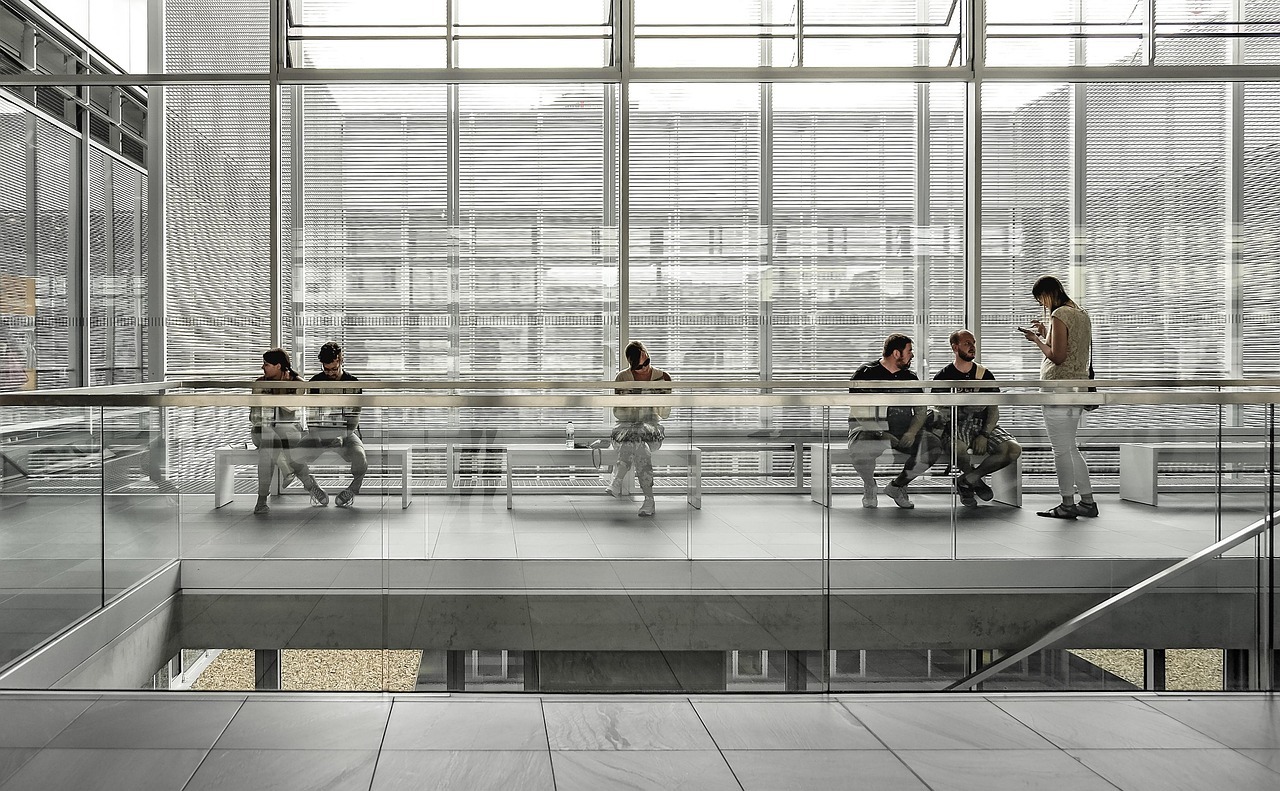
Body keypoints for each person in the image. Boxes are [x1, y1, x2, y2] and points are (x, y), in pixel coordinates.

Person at [1019, 275, 1097, 520]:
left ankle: (1067, 503)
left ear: (1046, 294)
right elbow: (1073, 347)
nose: (1042, 306)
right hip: (1077, 389)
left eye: (1040, 300)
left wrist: (1037, 340)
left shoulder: (1059, 314)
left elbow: (1058, 356)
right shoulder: (1080, 313)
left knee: (1060, 450)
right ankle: (1087, 501)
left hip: (1058, 389)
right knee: (1070, 447)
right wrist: (1047, 332)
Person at [848, 333, 942, 509]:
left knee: (933, 445)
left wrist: (912, 432)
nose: (912, 355)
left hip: (903, 430)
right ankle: (869, 485)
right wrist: (881, 433)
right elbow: (857, 409)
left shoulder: (911, 378)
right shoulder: (866, 372)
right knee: (860, 450)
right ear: (896, 353)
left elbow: (921, 410)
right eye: (909, 351)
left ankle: (897, 486)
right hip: (870, 430)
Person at [932, 329, 1022, 508]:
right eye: (967, 343)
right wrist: (963, 411)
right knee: (957, 448)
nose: (972, 346)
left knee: (1012, 449)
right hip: (957, 424)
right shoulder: (943, 376)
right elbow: (939, 412)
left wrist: (984, 434)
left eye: (973, 343)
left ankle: (968, 479)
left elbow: (993, 410)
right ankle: (973, 483)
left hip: (982, 424)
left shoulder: (985, 374)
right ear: (955, 347)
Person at [251, 348, 326, 514]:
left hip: (288, 431)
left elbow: (292, 410)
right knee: (269, 435)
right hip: (261, 431)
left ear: (278, 366)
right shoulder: (259, 383)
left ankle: (261, 499)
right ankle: (308, 483)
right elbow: (254, 416)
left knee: (268, 448)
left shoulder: (297, 384)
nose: (262, 367)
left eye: (266, 364)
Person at [608, 340, 672, 517]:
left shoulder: (663, 377)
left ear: (647, 354)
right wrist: (631, 402)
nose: (643, 368)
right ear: (631, 365)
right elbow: (618, 414)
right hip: (625, 429)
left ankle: (618, 479)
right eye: (638, 367)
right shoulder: (622, 378)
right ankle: (649, 500)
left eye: (646, 362)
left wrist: (656, 398)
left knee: (639, 436)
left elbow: (665, 414)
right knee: (638, 442)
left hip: (651, 429)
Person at [303, 341, 367, 509]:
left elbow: (354, 417)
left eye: (333, 369)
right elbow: (311, 415)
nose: (330, 373)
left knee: (360, 456)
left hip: (347, 432)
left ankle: (353, 489)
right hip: (319, 432)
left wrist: (342, 435)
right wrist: (317, 436)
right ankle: (312, 487)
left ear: (340, 361)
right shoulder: (315, 383)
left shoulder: (353, 383)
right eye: (326, 369)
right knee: (293, 456)